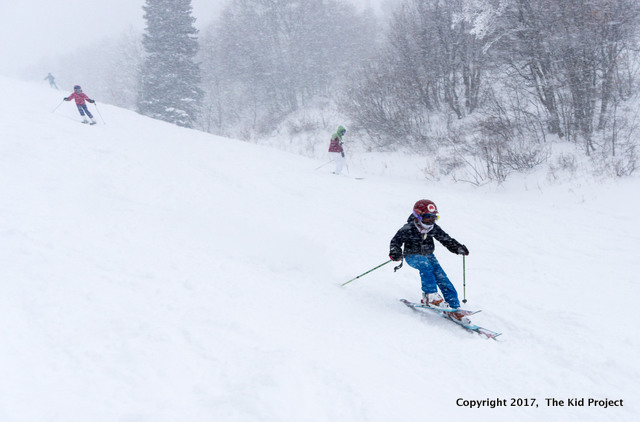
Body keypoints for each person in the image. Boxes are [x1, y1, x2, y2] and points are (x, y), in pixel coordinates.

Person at [389, 199, 470, 322]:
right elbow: (395, 242)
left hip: (429, 255)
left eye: (434, 217)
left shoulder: (433, 228)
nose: (431, 220)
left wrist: (458, 248)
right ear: (418, 216)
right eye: (427, 217)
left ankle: (455, 308)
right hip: (412, 256)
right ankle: (429, 295)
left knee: (442, 277)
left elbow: (446, 239)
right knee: (425, 266)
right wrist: (395, 252)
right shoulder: (408, 228)